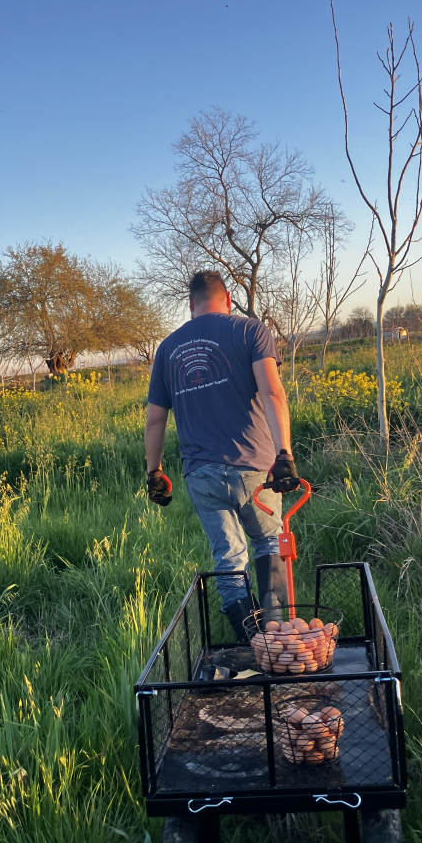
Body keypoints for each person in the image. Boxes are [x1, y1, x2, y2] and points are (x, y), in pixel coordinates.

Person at [144, 269, 301, 641]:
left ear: (190, 305)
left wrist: (155, 472)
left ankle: (252, 643)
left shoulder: (167, 349)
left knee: (229, 559)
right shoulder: (249, 331)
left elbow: (154, 420)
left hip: (201, 475)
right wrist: (284, 453)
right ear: (228, 300)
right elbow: (273, 394)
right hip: (255, 467)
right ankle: (277, 636)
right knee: (266, 541)